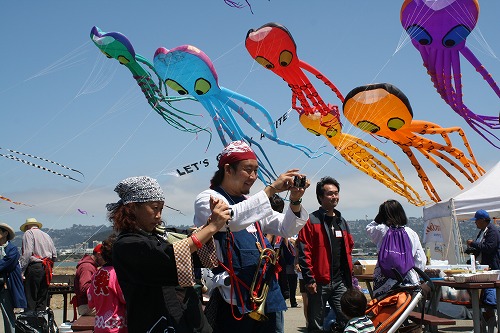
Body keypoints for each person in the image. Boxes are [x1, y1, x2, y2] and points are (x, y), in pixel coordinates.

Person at [193, 140, 310, 333]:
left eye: (256, 171)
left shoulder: (251, 203)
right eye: (248, 170)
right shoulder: (207, 197)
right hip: (232, 295)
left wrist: (295, 200)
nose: (253, 176)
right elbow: (231, 219)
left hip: (264, 292)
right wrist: (271, 189)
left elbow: (286, 228)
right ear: (228, 169)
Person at [109, 175, 231, 332]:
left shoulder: (162, 235)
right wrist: (212, 227)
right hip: (157, 323)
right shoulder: (127, 245)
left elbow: (190, 244)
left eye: (161, 209)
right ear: (132, 208)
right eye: (154, 208)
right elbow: (170, 255)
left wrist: (210, 223)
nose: (159, 215)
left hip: (189, 320)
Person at [297, 176, 354, 333]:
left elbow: (348, 248)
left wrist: (349, 277)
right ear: (320, 197)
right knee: (316, 325)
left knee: (348, 320)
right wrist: (309, 279)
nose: (334, 197)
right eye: (330, 193)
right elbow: (304, 251)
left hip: (339, 281)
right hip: (318, 283)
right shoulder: (311, 220)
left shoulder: (342, 221)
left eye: (336, 193)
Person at [366, 200, 425, 299]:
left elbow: (369, 228)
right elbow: (420, 259)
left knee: (384, 310)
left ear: (383, 216)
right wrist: (418, 277)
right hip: (408, 280)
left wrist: (377, 218)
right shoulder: (411, 233)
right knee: (405, 310)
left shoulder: (381, 230)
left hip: (384, 281)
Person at [466, 209, 500, 333]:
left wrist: (473, 244)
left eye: (476, 221)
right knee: (484, 298)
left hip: (491, 269)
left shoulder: (492, 231)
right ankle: (486, 321)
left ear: (481, 220)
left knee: (489, 298)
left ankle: (490, 319)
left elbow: (489, 248)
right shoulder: (483, 231)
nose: (475, 224)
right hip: (483, 268)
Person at [88, 234, 127, 333]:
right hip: (117, 326)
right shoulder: (118, 273)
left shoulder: (96, 274)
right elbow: (125, 298)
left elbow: (91, 300)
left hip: (99, 325)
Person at [19, 217, 57, 311]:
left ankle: (31, 322)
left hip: (35, 267)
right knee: (42, 298)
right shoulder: (46, 235)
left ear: (27, 226)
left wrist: (21, 270)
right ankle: (41, 322)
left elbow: (27, 253)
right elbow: (54, 255)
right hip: (46, 267)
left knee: (31, 297)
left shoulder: (28, 233)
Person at [0, 222, 27, 333]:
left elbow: (7, 264)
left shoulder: (12, 249)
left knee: (7, 313)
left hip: (5, 285)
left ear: (5, 233)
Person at [75, 243, 105, 316]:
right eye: (105, 257)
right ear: (98, 255)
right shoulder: (87, 267)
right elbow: (84, 288)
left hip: (87, 304)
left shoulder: (90, 266)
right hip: (86, 306)